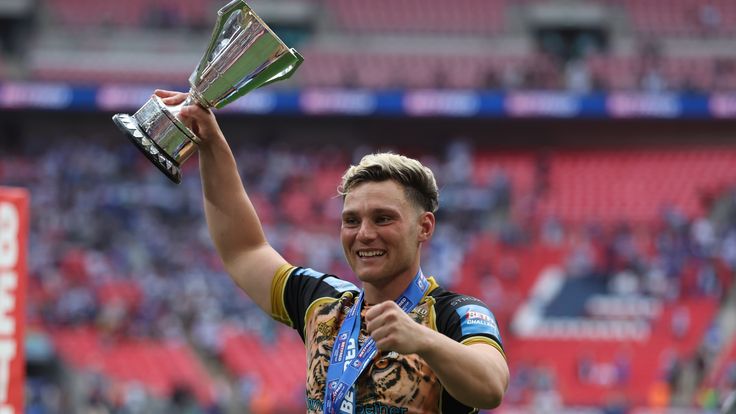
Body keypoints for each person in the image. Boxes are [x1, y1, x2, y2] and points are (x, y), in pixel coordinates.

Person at [155, 89, 509, 413]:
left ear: (425, 227)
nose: (364, 234)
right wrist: (212, 144)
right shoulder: (322, 304)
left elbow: (491, 386)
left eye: (383, 219)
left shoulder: (453, 313)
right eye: (351, 220)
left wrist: (424, 341)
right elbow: (243, 250)